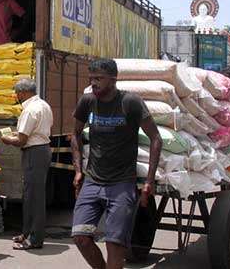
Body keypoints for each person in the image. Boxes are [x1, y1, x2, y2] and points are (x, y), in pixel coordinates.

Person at [70, 59, 163, 269]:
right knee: (80, 237)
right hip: (93, 180)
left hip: (121, 183)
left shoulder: (130, 102)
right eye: (91, 78)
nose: (94, 83)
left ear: (114, 79)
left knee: (114, 243)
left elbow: (156, 138)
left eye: (99, 78)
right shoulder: (87, 101)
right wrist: (78, 170)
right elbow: (74, 134)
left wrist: (149, 181)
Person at [1, 79, 53, 250]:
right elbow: (33, 131)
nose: (16, 96)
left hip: (34, 153)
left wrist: (7, 140)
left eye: (17, 93)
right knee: (31, 195)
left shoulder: (29, 110)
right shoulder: (43, 105)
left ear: (23, 93)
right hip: (42, 150)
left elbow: (22, 141)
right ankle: (27, 233)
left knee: (35, 198)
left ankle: (35, 239)